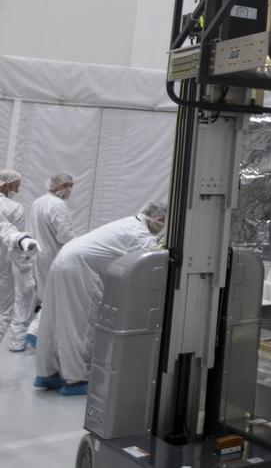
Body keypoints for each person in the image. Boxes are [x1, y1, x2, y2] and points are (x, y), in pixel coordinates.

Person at [33, 202, 167, 396]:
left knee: (53, 320)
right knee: (81, 325)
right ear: (157, 218)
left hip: (63, 259)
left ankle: (47, 373)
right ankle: (76, 379)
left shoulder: (129, 223)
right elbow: (151, 262)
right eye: (163, 222)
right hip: (78, 268)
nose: (162, 227)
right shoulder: (140, 233)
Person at [26, 173, 78, 347]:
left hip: (38, 255)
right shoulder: (58, 204)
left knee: (45, 294)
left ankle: (40, 333)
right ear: (55, 185)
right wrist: (79, 243)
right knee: (54, 296)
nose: (69, 189)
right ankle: (36, 331)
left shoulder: (37, 202)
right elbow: (65, 235)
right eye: (66, 185)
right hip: (54, 257)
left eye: (71, 185)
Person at [0, 169, 37, 352]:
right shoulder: (15, 208)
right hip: (5, 265)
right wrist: (26, 271)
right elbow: (17, 243)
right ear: (6, 185)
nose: (18, 189)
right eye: (16, 185)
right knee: (4, 310)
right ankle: (16, 343)